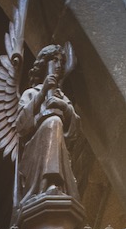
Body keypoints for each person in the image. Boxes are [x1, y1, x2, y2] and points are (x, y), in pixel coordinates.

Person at [15, 45, 80, 209]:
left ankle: (54, 183)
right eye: (54, 60)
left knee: (55, 122)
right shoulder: (31, 93)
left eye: (61, 62)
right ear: (44, 64)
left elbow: (74, 130)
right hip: (35, 148)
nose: (58, 65)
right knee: (54, 122)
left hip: (58, 146)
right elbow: (21, 126)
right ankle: (48, 183)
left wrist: (63, 106)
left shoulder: (61, 96)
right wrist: (42, 92)